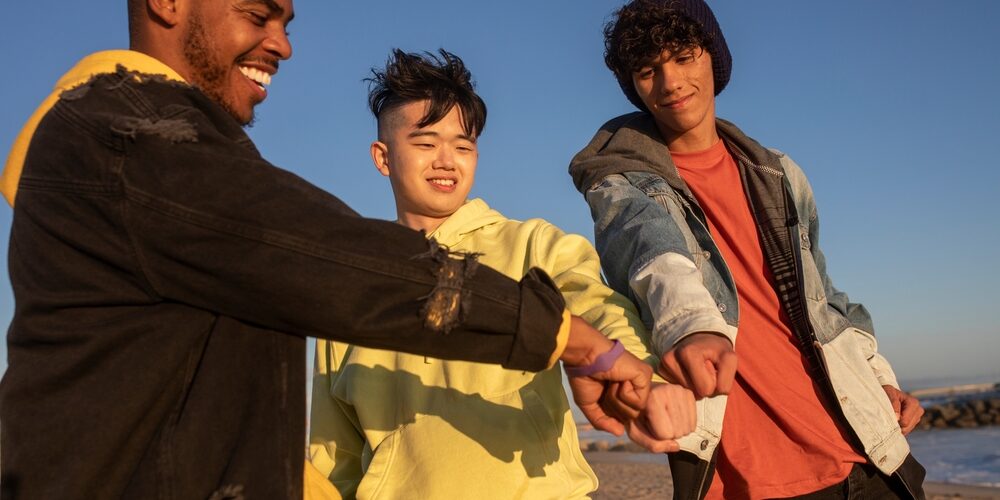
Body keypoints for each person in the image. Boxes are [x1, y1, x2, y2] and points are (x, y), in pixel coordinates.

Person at [0, 1, 654, 498]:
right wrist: (570, 340)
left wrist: (631, 359)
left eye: (286, 20)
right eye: (257, 13)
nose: (283, 43)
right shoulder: (132, 145)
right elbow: (338, 262)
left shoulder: (163, 148)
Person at [568, 0, 926, 498]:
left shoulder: (778, 172)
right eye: (648, 70)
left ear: (714, 58)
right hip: (748, 478)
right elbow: (653, 254)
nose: (670, 82)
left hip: (865, 457)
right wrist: (691, 329)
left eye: (684, 57)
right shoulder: (620, 182)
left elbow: (823, 296)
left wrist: (879, 378)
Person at [307, 48, 696, 500]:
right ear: (383, 157)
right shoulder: (355, 285)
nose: (447, 161)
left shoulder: (535, 245)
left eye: (462, 146)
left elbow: (601, 309)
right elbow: (334, 454)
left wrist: (646, 380)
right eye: (425, 144)